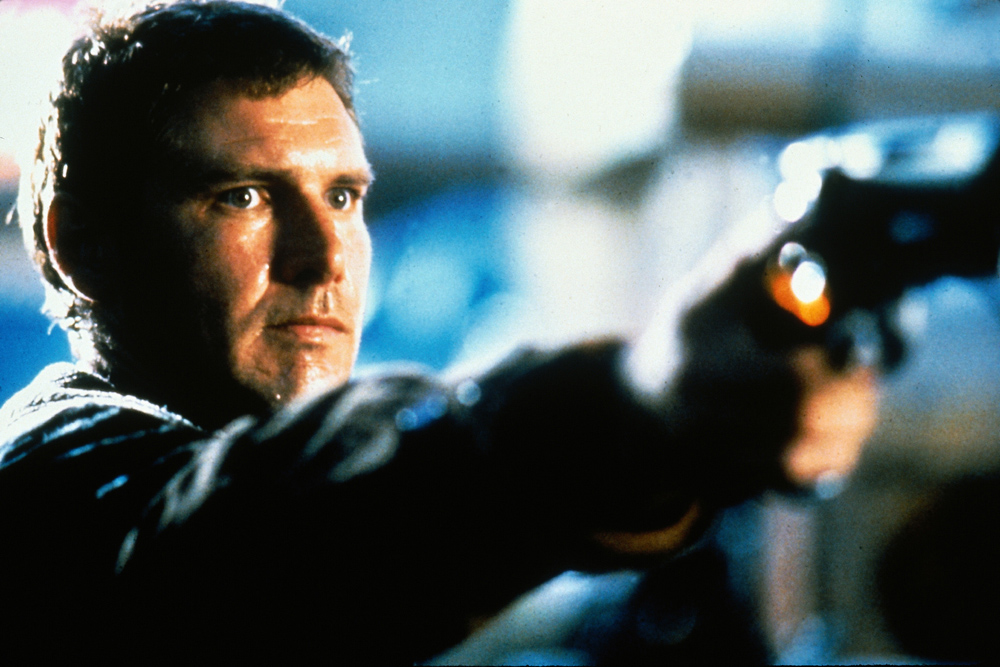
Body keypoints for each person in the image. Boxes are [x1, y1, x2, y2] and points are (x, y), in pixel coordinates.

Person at [0, 0, 879, 662]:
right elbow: (253, 544)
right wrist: (634, 403)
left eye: (343, 196)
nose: (324, 257)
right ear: (81, 245)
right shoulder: (55, 487)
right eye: (243, 196)